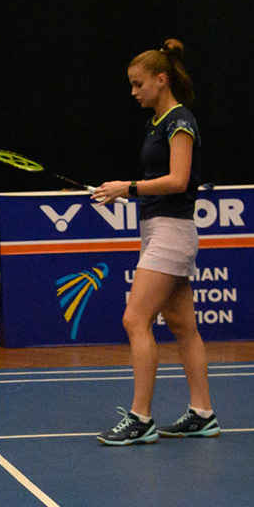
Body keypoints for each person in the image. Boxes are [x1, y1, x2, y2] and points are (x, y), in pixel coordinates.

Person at [90, 40, 217, 447]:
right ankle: (202, 413)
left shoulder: (180, 121)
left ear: (161, 80)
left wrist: (126, 187)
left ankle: (140, 418)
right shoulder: (157, 122)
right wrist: (121, 191)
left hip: (171, 231)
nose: (133, 91)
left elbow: (179, 180)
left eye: (138, 83)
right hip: (157, 228)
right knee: (183, 325)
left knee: (134, 320)